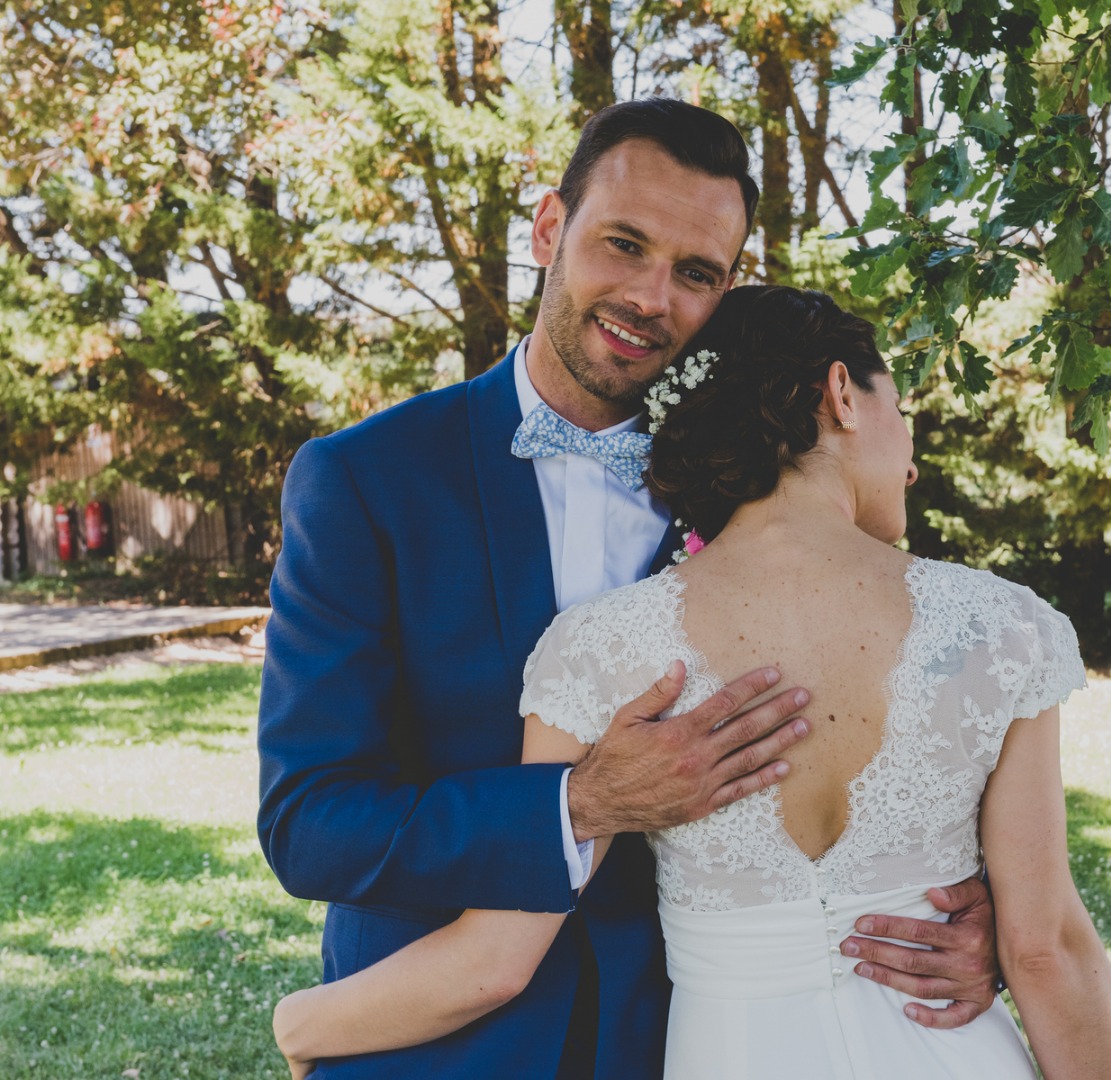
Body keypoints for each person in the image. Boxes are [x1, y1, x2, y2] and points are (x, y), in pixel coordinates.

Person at [256, 99, 1000, 1079]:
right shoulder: (366, 480)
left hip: (688, 1040)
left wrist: (970, 907)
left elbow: (874, 745)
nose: (653, 296)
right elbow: (310, 821)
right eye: (624, 244)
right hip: (430, 1044)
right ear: (549, 229)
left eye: (697, 273)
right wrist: (575, 804)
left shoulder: (763, 492)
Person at [272, 286, 1111, 1079]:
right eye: (901, 414)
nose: (910, 463)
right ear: (840, 393)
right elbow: (1046, 948)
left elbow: (493, 965)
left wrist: (304, 1023)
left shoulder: (599, 648)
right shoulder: (1004, 626)